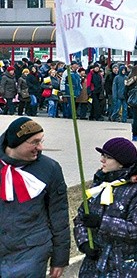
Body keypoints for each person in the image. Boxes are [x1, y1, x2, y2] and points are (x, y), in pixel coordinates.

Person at [73, 137, 137, 277]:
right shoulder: (100, 184)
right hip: (94, 266)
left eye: (108, 157)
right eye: (102, 155)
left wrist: (101, 222)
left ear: (121, 163)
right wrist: (84, 242)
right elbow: (81, 218)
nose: (102, 160)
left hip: (124, 267)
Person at [0, 117, 70, 277]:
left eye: (41, 141)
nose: (40, 147)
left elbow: (59, 216)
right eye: (34, 142)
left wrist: (59, 259)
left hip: (31, 253)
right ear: (16, 142)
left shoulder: (50, 168)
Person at [124, 65, 137, 141]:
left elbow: (125, 92)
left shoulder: (129, 80)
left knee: (134, 117)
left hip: (131, 101)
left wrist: (128, 101)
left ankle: (134, 134)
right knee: (136, 118)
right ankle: (135, 135)